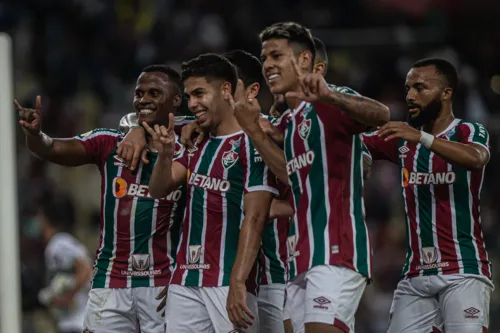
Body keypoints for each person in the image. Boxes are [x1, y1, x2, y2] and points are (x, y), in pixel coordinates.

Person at [232, 21, 390, 333]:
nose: (267, 65)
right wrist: (253, 129)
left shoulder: (330, 99)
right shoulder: (291, 122)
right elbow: (290, 174)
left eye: (276, 56)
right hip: (300, 256)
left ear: (305, 60)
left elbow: (380, 115)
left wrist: (331, 96)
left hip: (336, 251)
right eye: (264, 58)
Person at [15, 64, 186, 333]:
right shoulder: (109, 143)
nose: (144, 99)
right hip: (110, 281)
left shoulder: (190, 150)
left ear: (177, 99)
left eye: (154, 93)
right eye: (139, 93)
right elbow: (53, 148)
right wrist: (35, 135)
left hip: (163, 283)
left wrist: (138, 128)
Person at [145, 53, 278, 333]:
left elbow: (254, 218)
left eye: (199, 94)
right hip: (186, 278)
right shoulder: (196, 140)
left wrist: (238, 281)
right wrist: (166, 155)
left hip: (227, 278)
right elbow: (158, 189)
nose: (192, 104)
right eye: (189, 95)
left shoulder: (254, 142)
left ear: (225, 90)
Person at [362, 58, 493, 333]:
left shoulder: (466, 130)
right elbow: (351, 142)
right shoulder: (402, 140)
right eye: (408, 88)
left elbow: (477, 158)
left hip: (463, 271)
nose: (410, 95)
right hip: (416, 276)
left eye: (420, 88)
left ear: (446, 93)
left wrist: (422, 138)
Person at [36, 197, 93, 333]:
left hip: (76, 321)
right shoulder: (61, 242)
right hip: (73, 320)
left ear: (46, 219)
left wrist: (68, 295)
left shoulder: (59, 243)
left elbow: (85, 269)